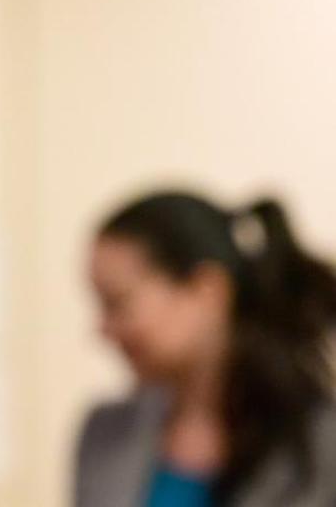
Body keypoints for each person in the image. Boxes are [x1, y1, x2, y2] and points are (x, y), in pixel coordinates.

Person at [76, 190, 336, 507]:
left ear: (207, 289)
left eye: (118, 303)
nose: (102, 329)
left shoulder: (319, 444)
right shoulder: (105, 433)